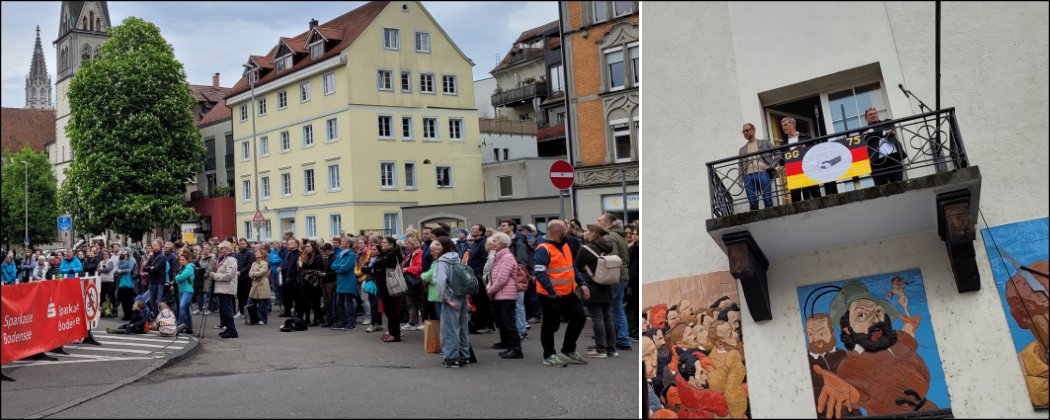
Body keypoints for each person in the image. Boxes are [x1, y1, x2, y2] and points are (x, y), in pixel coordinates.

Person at [534, 220, 590, 368]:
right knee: (550, 325)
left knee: (579, 318)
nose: (568, 231)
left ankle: (568, 350)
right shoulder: (543, 249)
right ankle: (549, 355)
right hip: (550, 295)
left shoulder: (565, 246)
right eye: (566, 229)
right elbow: (539, 273)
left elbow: (572, 268)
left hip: (568, 292)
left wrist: (582, 284)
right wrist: (550, 291)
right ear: (559, 231)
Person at [576, 224, 619, 359]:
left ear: (593, 233)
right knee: (607, 316)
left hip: (592, 284)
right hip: (606, 284)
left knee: (597, 317)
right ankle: (611, 348)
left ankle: (600, 348)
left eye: (587, 231)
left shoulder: (586, 249)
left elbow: (576, 266)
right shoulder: (607, 246)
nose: (584, 233)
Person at [433, 236, 470, 368]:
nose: (434, 247)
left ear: (444, 246)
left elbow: (441, 281)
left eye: (437, 244)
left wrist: (445, 298)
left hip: (450, 297)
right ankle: (464, 356)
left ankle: (451, 358)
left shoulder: (442, 261)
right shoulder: (456, 257)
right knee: (462, 327)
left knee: (449, 329)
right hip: (462, 296)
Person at [599, 214, 633, 351]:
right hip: (622, 275)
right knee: (617, 308)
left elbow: (610, 260)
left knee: (607, 309)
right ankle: (623, 340)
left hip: (615, 277)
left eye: (600, 220)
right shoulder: (619, 235)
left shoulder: (610, 237)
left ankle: (610, 341)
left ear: (608, 222)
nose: (598, 222)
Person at [782, 117, 837, 202]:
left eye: (786, 125)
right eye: (782, 126)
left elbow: (815, 150)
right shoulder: (784, 143)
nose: (784, 128)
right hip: (793, 169)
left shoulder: (806, 136)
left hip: (808, 167)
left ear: (793, 124)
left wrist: (804, 148)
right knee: (795, 196)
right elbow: (782, 160)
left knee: (815, 192)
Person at [488, 232, 525, 359]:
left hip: (506, 295)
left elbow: (502, 278)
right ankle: (510, 346)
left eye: (495, 241)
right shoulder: (499, 257)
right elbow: (493, 276)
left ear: (503, 244)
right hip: (500, 294)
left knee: (509, 323)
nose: (493, 244)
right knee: (503, 321)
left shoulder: (507, 257)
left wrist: (491, 289)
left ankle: (516, 349)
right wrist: (490, 288)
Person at [371, 236, 405, 342]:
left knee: (392, 311)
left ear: (391, 244)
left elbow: (377, 263)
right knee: (388, 311)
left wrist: (378, 266)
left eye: (385, 242)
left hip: (390, 287)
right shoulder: (385, 254)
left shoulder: (392, 254)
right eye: (383, 242)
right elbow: (376, 265)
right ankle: (391, 332)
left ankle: (395, 334)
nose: (382, 244)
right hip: (384, 286)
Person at [738, 123, 778, 211]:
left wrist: (771, 166)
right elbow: (740, 165)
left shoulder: (764, 143)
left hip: (763, 173)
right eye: (743, 131)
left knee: (767, 199)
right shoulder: (742, 149)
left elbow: (777, 153)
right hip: (748, 176)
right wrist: (741, 180)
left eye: (747, 130)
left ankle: (771, 217)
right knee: (752, 202)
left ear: (753, 130)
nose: (745, 133)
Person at [862, 108, 906, 186]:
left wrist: (870, 132)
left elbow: (891, 129)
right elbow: (864, 137)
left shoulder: (887, 122)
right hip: (876, 161)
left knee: (898, 184)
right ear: (866, 119)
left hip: (894, 156)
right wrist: (885, 132)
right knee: (881, 187)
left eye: (875, 113)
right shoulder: (862, 130)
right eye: (870, 114)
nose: (873, 115)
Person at [467, 224, 495, 334]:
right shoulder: (475, 244)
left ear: (480, 232)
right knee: (477, 301)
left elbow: (485, 260)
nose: (471, 230)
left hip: (479, 277)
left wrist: (478, 272)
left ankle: (487, 324)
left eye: (474, 229)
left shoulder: (483, 244)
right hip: (474, 276)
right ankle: (479, 324)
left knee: (483, 302)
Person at [210, 241, 240, 339]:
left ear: (228, 249)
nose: (220, 250)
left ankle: (232, 330)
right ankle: (228, 328)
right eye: (220, 248)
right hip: (221, 288)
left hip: (226, 288)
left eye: (222, 248)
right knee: (224, 310)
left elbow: (229, 276)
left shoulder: (231, 259)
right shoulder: (224, 259)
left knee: (227, 309)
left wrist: (215, 275)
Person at [330, 238, 359, 331]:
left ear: (348, 244)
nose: (341, 243)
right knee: (340, 303)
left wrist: (339, 268)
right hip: (340, 282)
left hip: (348, 281)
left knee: (348, 303)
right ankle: (342, 322)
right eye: (341, 241)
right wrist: (339, 267)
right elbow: (332, 266)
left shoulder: (350, 255)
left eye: (343, 242)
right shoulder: (340, 254)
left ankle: (351, 323)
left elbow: (345, 268)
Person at [401, 237, 425, 332]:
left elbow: (419, 268)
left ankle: (424, 321)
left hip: (417, 281)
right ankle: (413, 322)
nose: (406, 245)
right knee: (411, 302)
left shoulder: (419, 254)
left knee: (420, 303)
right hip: (410, 281)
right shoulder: (410, 254)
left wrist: (407, 269)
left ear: (413, 244)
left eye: (408, 244)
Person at [247, 244, 272, 325]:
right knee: (250, 302)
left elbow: (262, 272)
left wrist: (253, 274)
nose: (256, 253)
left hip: (262, 284)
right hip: (255, 284)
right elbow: (250, 273)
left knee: (262, 304)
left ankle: (263, 319)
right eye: (256, 252)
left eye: (258, 252)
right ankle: (252, 318)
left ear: (262, 255)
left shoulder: (264, 263)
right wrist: (253, 274)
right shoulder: (254, 263)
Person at [278, 238, 302, 318]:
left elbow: (300, 268)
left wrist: (298, 278)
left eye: (291, 243)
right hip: (288, 277)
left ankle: (297, 312)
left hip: (296, 278)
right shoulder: (289, 254)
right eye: (288, 243)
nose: (288, 244)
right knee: (287, 296)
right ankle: (287, 311)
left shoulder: (299, 254)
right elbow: (287, 265)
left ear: (296, 245)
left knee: (297, 297)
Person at [174, 249, 196, 335]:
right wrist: (178, 278)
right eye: (180, 260)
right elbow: (179, 278)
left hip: (188, 290)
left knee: (182, 306)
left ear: (187, 260)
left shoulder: (189, 268)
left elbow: (179, 278)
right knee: (186, 309)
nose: (181, 261)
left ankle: (180, 325)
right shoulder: (183, 268)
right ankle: (189, 328)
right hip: (182, 290)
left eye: (183, 260)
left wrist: (177, 277)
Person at [234, 238, 256, 320]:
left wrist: (241, 272)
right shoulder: (238, 254)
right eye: (240, 243)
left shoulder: (250, 253)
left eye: (243, 243)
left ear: (246, 244)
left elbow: (250, 265)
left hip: (247, 277)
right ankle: (241, 311)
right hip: (239, 277)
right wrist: (236, 271)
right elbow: (237, 264)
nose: (241, 245)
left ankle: (247, 312)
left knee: (247, 294)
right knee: (240, 295)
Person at [115, 248, 138, 321]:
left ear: (128, 252)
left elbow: (129, 269)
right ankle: (125, 314)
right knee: (123, 299)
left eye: (124, 250)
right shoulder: (121, 260)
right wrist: (118, 271)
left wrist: (121, 271)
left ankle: (129, 314)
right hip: (121, 280)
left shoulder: (130, 260)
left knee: (128, 299)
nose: (123, 251)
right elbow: (117, 268)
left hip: (127, 280)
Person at [319, 243, 338, 327]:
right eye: (324, 251)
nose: (325, 253)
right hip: (325, 281)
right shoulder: (327, 258)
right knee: (326, 302)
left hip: (330, 281)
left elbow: (335, 272)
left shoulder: (334, 258)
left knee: (332, 302)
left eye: (326, 251)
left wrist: (326, 274)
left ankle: (335, 320)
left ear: (330, 250)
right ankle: (329, 319)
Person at [196, 246, 216, 315]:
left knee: (208, 293)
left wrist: (203, 276)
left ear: (208, 250)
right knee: (200, 293)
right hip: (201, 278)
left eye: (204, 249)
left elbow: (209, 269)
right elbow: (199, 267)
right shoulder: (201, 258)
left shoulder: (212, 259)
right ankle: (199, 308)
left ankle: (209, 309)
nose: (203, 250)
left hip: (207, 278)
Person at [268, 241, 284, 314]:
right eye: (273, 244)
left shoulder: (280, 252)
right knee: (274, 286)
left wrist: (273, 261)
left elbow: (280, 259)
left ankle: (280, 300)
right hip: (272, 270)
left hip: (278, 270)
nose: (274, 245)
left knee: (279, 286)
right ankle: (277, 299)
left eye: (276, 244)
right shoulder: (272, 252)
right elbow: (270, 260)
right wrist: (273, 261)